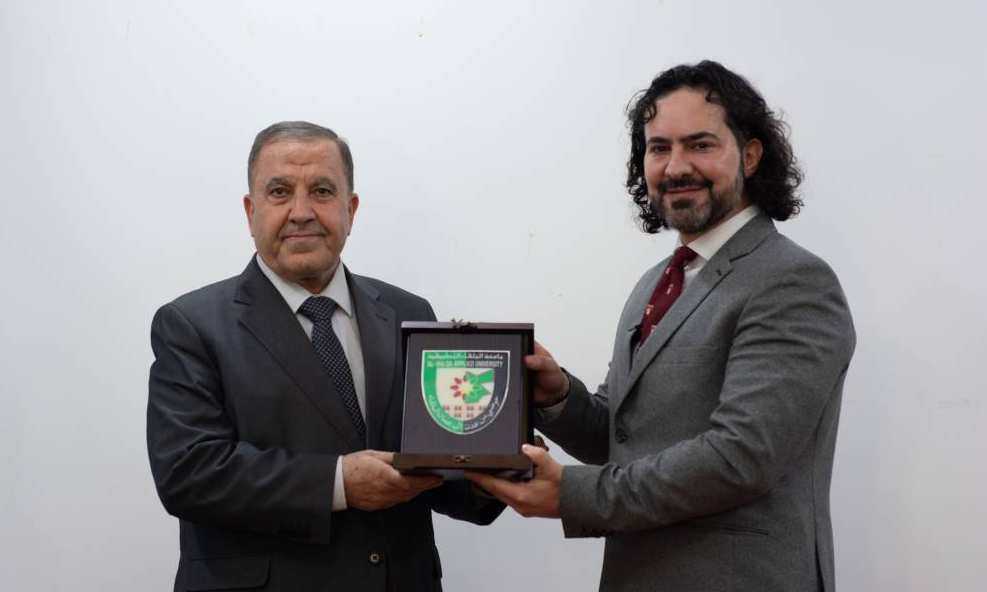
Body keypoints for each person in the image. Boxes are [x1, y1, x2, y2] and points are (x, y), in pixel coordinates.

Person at [468, 61, 855, 591]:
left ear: (750, 154)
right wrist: (556, 396)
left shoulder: (792, 281)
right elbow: (624, 438)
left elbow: (741, 458)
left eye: (700, 145)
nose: (675, 167)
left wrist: (570, 494)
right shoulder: (656, 283)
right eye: (659, 148)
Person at [147, 122, 502, 592]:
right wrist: (339, 483)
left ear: (350, 210)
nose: (301, 212)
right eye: (280, 192)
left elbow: (430, 458)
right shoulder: (190, 325)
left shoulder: (409, 312)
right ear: (251, 211)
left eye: (321, 191)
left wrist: (492, 463)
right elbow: (189, 474)